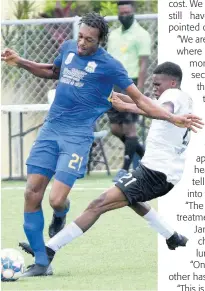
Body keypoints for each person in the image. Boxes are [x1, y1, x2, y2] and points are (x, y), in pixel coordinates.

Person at [19, 62, 204, 276]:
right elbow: (144, 102)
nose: (154, 88)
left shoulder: (173, 95)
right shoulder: (179, 97)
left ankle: (49, 249)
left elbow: (162, 111)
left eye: (157, 84)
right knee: (133, 201)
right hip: (161, 172)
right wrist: (107, 94)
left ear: (172, 82)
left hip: (156, 173)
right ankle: (173, 237)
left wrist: (127, 107)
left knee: (98, 204)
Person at [107, 0, 150, 182]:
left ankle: (124, 170)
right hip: (112, 85)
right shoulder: (113, 35)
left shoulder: (142, 34)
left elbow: (143, 64)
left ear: (133, 12)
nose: (123, 15)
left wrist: (138, 89)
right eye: (121, 12)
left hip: (130, 83)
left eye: (127, 12)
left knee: (130, 129)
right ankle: (146, 156)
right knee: (115, 128)